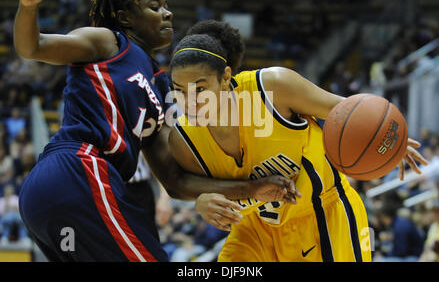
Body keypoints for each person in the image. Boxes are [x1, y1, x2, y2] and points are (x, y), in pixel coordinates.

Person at [14, 0, 297, 262]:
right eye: (155, 6)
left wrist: (250, 187)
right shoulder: (109, 41)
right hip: (78, 168)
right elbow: (33, 47)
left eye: (166, 5)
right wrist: (28, 7)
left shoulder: (161, 85)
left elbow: (174, 181)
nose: (168, 13)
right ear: (125, 17)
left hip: (57, 193)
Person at [167, 19, 429, 262]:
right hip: (255, 230)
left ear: (225, 78)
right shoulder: (184, 139)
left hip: (322, 216)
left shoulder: (273, 88)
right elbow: (183, 185)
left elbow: (352, 114)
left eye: (199, 89)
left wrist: (387, 137)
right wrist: (201, 200)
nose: (188, 101)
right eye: (178, 90)